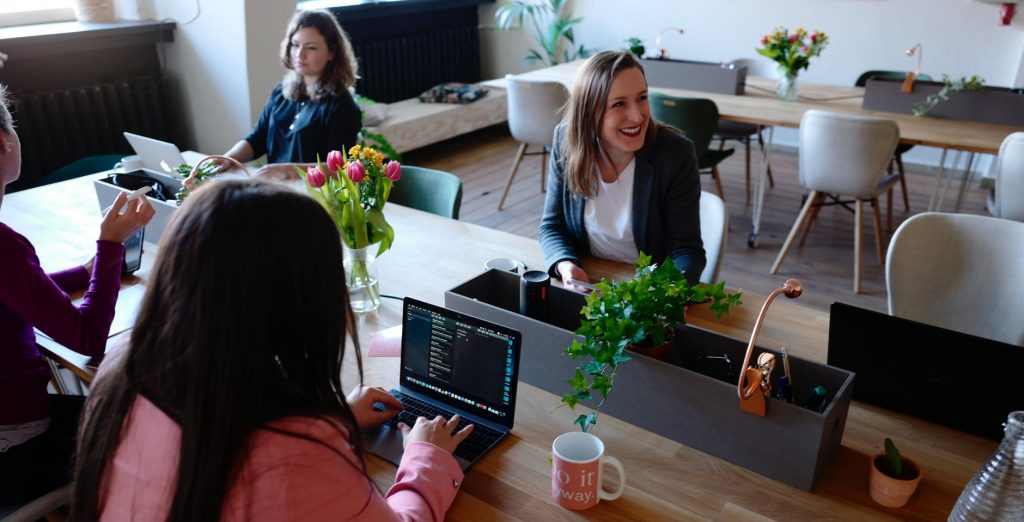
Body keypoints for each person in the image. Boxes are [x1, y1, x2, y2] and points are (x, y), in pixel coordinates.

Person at [71, 179, 473, 521]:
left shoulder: (123, 364)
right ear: (303, 305)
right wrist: (425, 456)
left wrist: (337, 418)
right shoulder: (295, 454)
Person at [0, 84, 154, 505]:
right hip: (18, 454)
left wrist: (85, 273)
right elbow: (88, 339)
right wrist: (109, 246)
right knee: (148, 418)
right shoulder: (6, 247)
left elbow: (17, 290)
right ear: (4, 143)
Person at [539, 50, 706, 288]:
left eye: (642, 98)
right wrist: (566, 266)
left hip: (649, 291)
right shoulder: (566, 141)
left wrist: (659, 297)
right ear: (590, 113)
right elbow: (552, 227)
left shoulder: (674, 153)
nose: (637, 116)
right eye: (619, 104)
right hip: (590, 284)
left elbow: (687, 251)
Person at [216, 9, 362, 179]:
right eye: (295, 44)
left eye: (311, 47)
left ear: (332, 53)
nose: (300, 54)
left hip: (314, 197)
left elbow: (339, 169)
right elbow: (257, 139)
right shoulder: (280, 92)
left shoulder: (342, 106)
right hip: (277, 187)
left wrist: (291, 170)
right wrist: (228, 158)